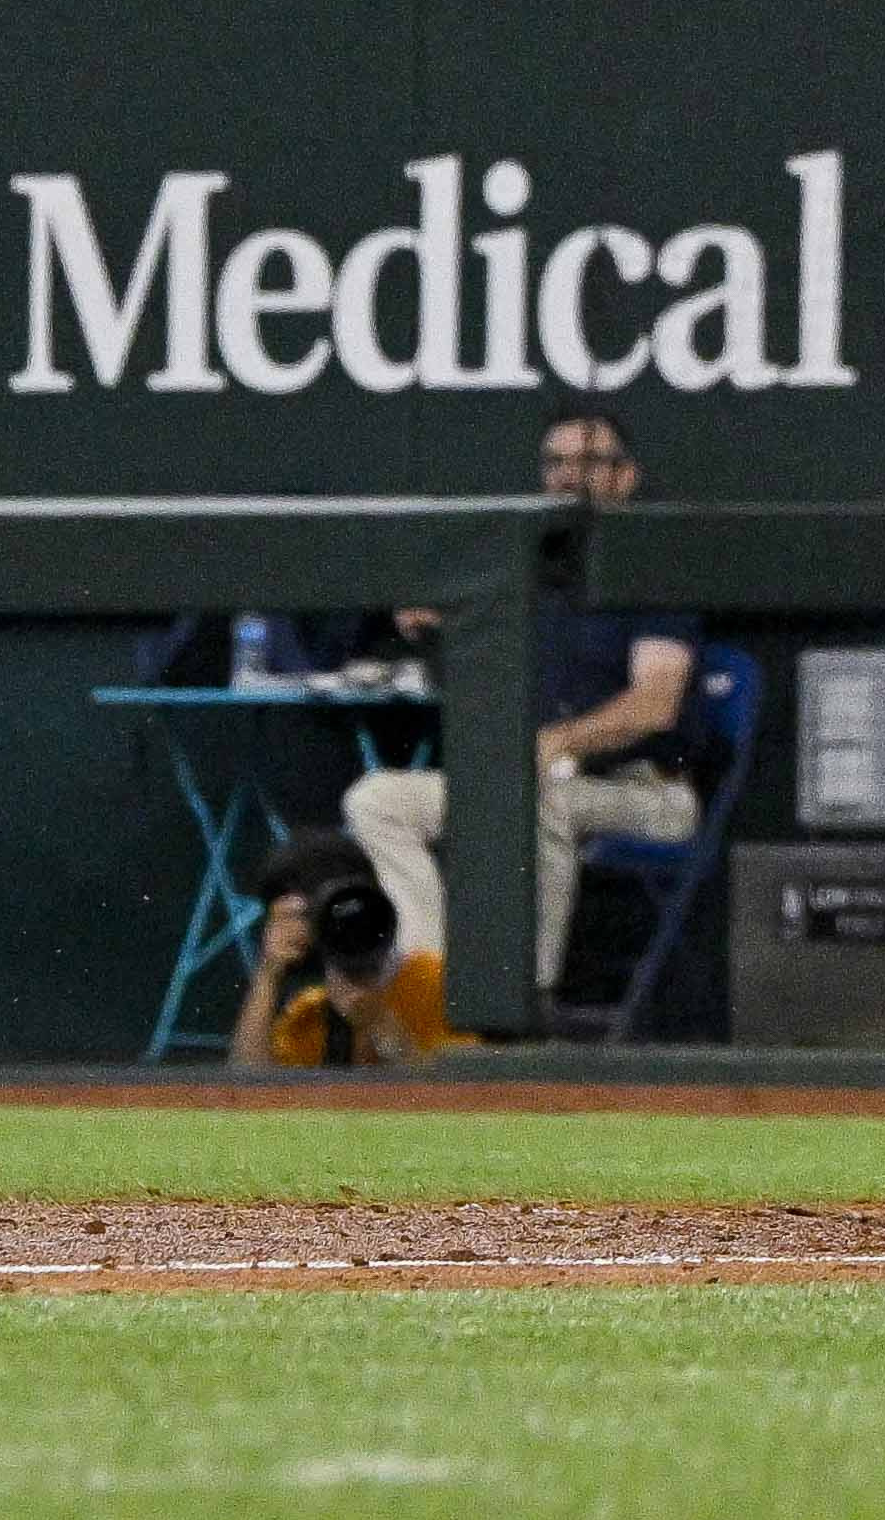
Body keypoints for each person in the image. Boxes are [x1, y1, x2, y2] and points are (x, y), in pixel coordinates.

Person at [298, 408, 705, 1051]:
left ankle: (521, 1008)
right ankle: (431, 993)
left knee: (532, 793)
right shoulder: (526, 579)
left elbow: (653, 705)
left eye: (592, 463)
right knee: (376, 799)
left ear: (626, 478)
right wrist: (441, 630)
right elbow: (488, 682)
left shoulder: (650, 571)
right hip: (535, 778)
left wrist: (555, 744)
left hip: (645, 791)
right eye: (558, 463)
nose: (572, 478)